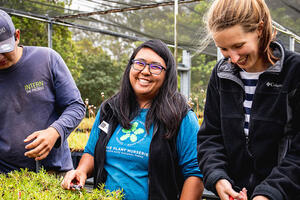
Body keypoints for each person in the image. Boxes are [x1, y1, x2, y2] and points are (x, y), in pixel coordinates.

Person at [62, 39, 204, 199]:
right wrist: (81, 171)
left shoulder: (182, 117)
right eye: (139, 63)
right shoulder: (110, 109)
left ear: (167, 74)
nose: (145, 71)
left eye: (155, 67)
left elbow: (194, 174)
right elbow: (91, 153)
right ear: (130, 66)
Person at [197, 0, 300, 199]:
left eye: (238, 46)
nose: (233, 58)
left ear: (260, 29)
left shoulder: (294, 72)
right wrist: (219, 178)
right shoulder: (221, 75)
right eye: (224, 49)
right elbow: (210, 137)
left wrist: (269, 193)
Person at [0, 9, 85, 173]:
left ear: (17, 36)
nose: (0, 57)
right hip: (6, 178)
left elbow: (75, 106)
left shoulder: (46, 59)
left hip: (55, 173)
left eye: (4, 49)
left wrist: (54, 132)